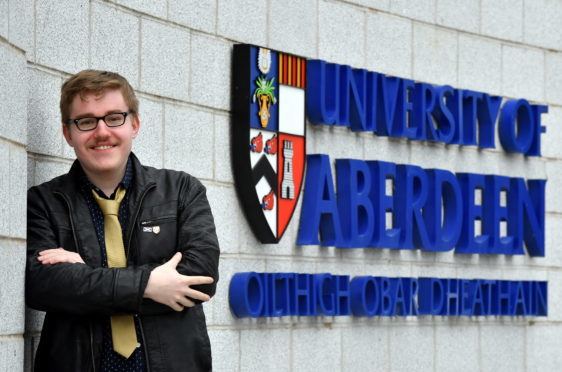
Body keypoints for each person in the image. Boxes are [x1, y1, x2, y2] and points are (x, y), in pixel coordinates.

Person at [26, 70, 220, 372]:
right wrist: (149, 285)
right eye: (86, 121)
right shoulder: (44, 202)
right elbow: (42, 285)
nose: (102, 131)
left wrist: (86, 276)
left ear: (134, 124)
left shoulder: (182, 191)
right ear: (68, 133)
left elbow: (200, 278)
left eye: (114, 117)